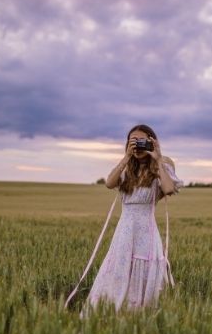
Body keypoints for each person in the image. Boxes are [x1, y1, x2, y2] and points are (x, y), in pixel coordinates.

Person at [65, 124, 184, 315]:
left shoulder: (160, 168)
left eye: (142, 141)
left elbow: (169, 189)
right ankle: (109, 312)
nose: (137, 146)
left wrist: (158, 158)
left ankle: (138, 315)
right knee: (118, 270)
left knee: (143, 269)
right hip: (125, 230)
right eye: (133, 141)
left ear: (152, 142)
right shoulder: (127, 169)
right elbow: (109, 183)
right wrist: (126, 157)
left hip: (146, 231)